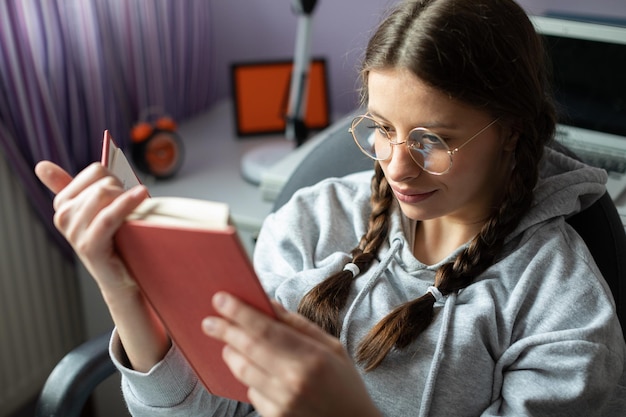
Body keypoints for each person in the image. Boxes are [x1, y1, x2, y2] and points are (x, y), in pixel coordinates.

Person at [35, 0, 626, 415]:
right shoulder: (311, 222)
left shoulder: (563, 310)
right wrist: (125, 288)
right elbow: (210, 411)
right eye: (381, 128)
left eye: (432, 140)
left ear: (512, 132)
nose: (395, 166)